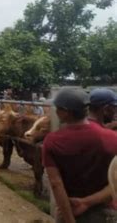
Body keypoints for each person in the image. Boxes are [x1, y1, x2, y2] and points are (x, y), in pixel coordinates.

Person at [42, 88, 117, 223]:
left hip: (69, 210)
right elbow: (115, 183)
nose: (56, 111)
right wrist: (87, 202)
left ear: (65, 113)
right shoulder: (112, 138)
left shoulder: (52, 141)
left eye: (58, 108)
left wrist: (69, 219)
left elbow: (56, 184)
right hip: (104, 213)